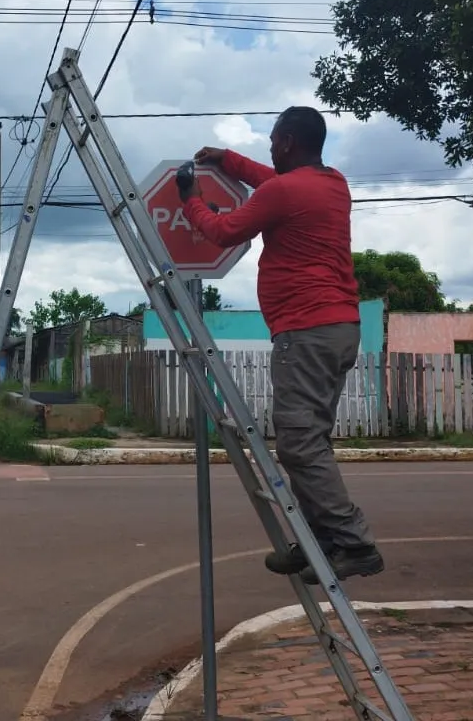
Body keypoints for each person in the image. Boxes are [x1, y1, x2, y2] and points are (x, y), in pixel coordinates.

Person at [174, 106, 384, 586]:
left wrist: (191, 199)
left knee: (299, 443)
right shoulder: (331, 184)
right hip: (336, 328)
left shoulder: (284, 192)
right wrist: (228, 158)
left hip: (306, 331)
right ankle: (321, 542)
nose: (269, 147)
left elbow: (225, 229)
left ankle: (354, 543)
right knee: (309, 441)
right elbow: (270, 179)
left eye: (273, 139)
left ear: (287, 141)